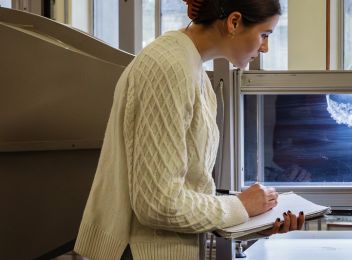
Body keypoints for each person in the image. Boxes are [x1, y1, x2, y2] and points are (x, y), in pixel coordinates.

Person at [74, 0, 303, 259]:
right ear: (234, 22)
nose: (265, 47)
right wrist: (240, 207)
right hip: (138, 251)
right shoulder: (169, 67)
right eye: (264, 35)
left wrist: (254, 218)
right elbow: (158, 204)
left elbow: (187, 188)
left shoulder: (192, 69)